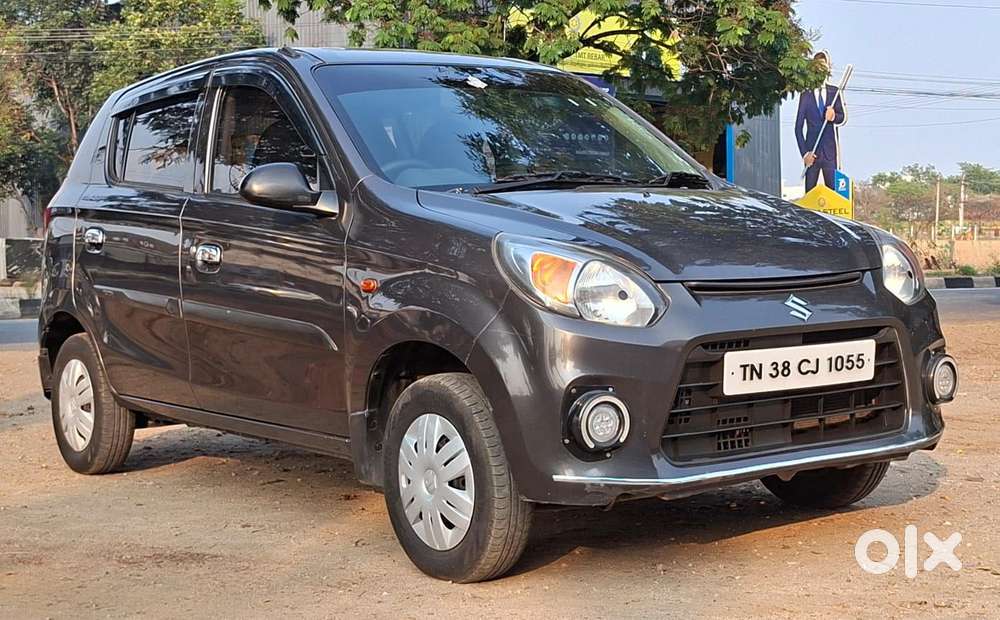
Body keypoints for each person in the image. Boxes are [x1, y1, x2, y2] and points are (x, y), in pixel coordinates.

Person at [795, 51, 848, 191]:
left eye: (824, 67)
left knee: (833, 195)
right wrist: (805, 153)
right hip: (812, 153)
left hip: (830, 153)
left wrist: (834, 116)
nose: (821, 70)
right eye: (818, 67)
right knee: (810, 195)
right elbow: (798, 128)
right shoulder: (805, 95)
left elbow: (842, 118)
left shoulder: (834, 92)